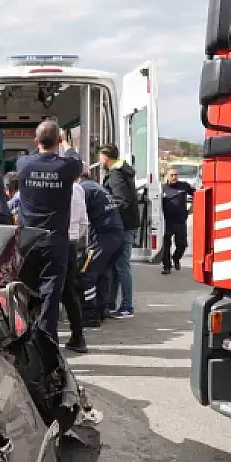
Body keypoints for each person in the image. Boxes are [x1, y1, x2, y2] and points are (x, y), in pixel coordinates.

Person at [16, 120, 83, 344]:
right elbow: (77, 160)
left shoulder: (23, 163)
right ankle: (46, 340)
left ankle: (24, 336)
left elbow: (38, 152)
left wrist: (44, 142)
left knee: (25, 290)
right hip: (54, 240)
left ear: (36, 141)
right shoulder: (66, 166)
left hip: (27, 240)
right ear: (59, 140)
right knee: (51, 293)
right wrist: (64, 144)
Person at [77, 166, 125, 328]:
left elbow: (79, 215)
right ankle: (101, 309)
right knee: (102, 273)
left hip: (102, 237)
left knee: (87, 273)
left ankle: (90, 316)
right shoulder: (98, 187)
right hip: (117, 235)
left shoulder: (83, 189)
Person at [96, 144, 140, 318]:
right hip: (127, 224)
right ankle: (113, 304)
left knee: (122, 266)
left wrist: (105, 208)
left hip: (124, 225)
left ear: (106, 157)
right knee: (117, 266)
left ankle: (127, 306)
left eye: (100, 157)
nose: (99, 160)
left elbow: (122, 201)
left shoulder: (116, 175)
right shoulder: (121, 172)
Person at [62, 170, 89, 352]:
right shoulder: (76, 188)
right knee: (69, 291)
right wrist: (74, 238)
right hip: (69, 243)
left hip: (45, 241)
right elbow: (84, 222)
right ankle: (78, 336)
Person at [161, 168, 194, 275]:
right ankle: (166, 267)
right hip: (167, 222)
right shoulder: (162, 188)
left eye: (176, 175)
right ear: (167, 176)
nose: (174, 177)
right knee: (166, 245)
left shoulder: (184, 186)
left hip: (180, 220)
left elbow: (197, 195)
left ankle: (175, 258)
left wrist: (192, 208)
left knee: (182, 244)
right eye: (172, 175)